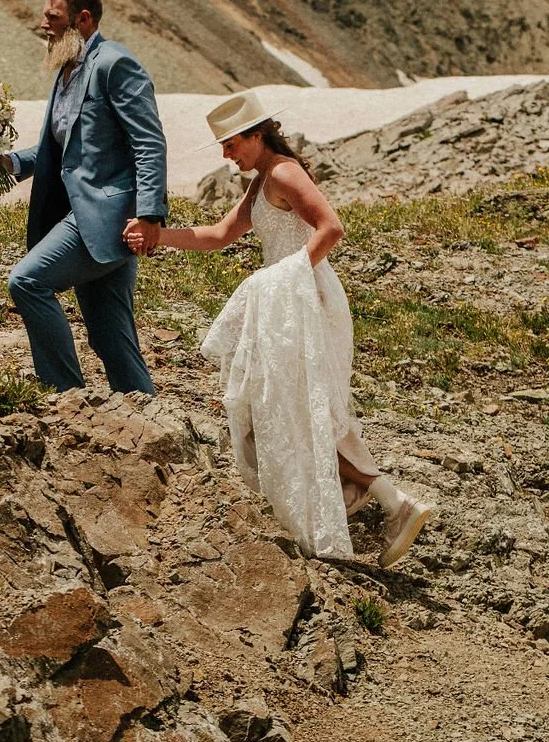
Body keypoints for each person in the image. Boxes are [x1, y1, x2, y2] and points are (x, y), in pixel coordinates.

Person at [124, 91, 434, 565]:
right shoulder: (262, 181)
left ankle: (390, 501)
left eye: (231, 144)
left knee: (301, 409)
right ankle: (376, 500)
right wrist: (157, 236)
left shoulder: (285, 172)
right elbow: (219, 236)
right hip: (288, 302)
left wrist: (284, 277)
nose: (228, 155)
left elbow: (330, 227)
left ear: (257, 133)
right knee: (285, 410)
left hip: (305, 298)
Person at [0, 0, 168, 394]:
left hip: (110, 218)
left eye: (53, 16)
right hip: (84, 217)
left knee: (27, 282)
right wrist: (8, 162)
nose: (43, 24)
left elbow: (148, 141)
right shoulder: (67, 70)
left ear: (82, 19)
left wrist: (150, 214)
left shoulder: (116, 64)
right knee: (112, 338)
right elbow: (60, 149)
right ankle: (153, 424)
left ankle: (67, 397)